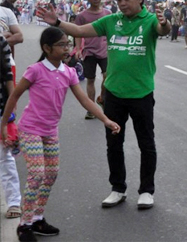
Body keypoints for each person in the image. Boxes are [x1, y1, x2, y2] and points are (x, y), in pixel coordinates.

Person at [36, 0, 171, 210]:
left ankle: (146, 191)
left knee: (146, 143)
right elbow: (79, 30)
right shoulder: (111, 21)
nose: (122, 3)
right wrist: (56, 21)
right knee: (114, 143)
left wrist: (165, 23)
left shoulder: (149, 21)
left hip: (141, 94)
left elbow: (162, 29)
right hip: (114, 94)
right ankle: (117, 188)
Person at [0, 27, 120, 242]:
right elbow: (14, 96)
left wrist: (106, 120)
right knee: (37, 174)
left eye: (69, 44)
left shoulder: (69, 72)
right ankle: (24, 225)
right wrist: (4, 125)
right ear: (47, 48)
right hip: (30, 130)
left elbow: (85, 100)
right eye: (62, 45)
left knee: (51, 174)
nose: (67, 48)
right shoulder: (35, 70)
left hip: (50, 131)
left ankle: (37, 218)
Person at [74, 0, 111, 119]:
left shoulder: (108, 13)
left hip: (105, 50)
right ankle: (91, 109)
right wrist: (78, 49)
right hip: (89, 51)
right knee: (91, 80)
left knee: (107, 76)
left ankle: (101, 98)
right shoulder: (82, 16)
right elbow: (77, 33)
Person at [0, 34, 21, 219]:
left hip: (0, 106)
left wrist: (12, 101)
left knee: (4, 157)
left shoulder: (0, 41)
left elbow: (7, 72)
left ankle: (14, 201)